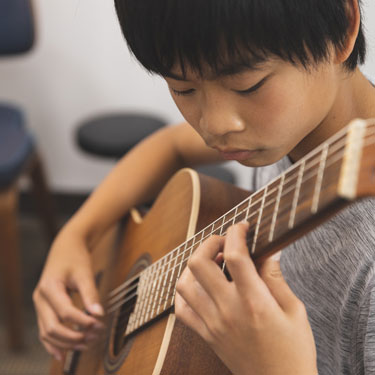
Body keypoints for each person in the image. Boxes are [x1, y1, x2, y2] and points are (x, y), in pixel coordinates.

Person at [33, 0, 375, 373]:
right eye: (183, 89)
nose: (215, 125)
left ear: (341, 27)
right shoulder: (289, 130)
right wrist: (77, 234)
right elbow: (172, 146)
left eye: (248, 85)